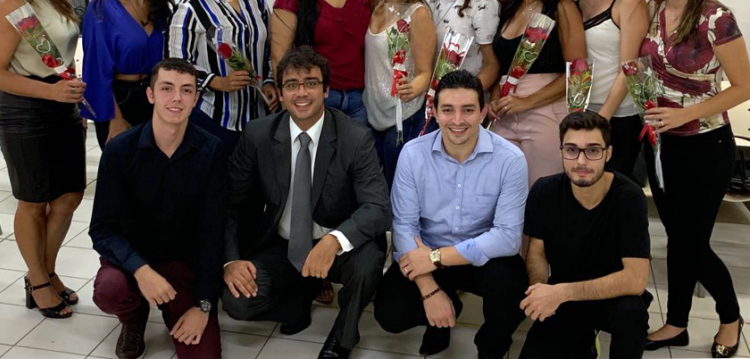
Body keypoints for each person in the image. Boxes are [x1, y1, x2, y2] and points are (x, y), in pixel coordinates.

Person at [222, 47, 391, 359]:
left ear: (326, 90)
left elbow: (379, 208)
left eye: (311, 83)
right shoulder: (258, 135)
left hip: (337, 243)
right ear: (281, 94)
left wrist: (334, 240)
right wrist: (231, 260)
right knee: (237, 302)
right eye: (292, 85)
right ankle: (297, 303)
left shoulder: (355, 137)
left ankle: (342, 337)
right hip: (282, 243)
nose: (301, 93)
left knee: (368, 263)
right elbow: (229, 203)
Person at [639, 0, 749, 358]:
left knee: (690, 241)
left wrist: (681, 114)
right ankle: (677, 323)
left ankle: (730, 316)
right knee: (675, 234)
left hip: (705, 144)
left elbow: (742, 86)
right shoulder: (650, 9)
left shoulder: (716, 17)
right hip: (660, 144)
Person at [374, 70, 529, 359]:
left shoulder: (510, 160)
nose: (457, 121)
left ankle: (491, 347)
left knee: (512, 290)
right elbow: (404, 227)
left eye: (468, 110)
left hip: (480, 257)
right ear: (433, 111)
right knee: (389, 313)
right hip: (426, 252)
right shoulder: (412, 154)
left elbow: (508, 238)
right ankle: (442, 319)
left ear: (483, 112)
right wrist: (429, 289)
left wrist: (436, 258)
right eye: (448, 110)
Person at [89, 58, 225, 359]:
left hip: (182, 264)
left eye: (186, 90)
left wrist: (203, 305)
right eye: (166, 88)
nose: (176, 98)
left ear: (196, 98)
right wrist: (141, 269)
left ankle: (171, 308)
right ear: (150, 95)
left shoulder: (211, 150)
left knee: (205, 356)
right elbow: (102, 230)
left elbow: (213, 232)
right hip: (131, 260)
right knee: (110, 290)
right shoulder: (120, 150)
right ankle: (133, 318)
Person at [0, 0, 84, 319]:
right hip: (25, 113)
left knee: (68, 197)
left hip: (62, 107)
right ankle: (39, 279)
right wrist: (52, 92)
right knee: (33, 201)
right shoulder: (11, 3)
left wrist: (70, 88)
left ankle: (45, 270)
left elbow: (57, 57)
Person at [518, 111, 652, 359]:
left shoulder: (629, 197)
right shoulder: (544, 191)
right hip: (564, 296)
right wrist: (540, 290)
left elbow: (635, 280)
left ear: (608, 153)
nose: (581, 161)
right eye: (571, 150)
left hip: (613, 297)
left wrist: (561, 293)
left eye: (592, 150)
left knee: (632, 314)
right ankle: (585, 342)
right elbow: (536, 251)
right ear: (561, 152)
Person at [166, 0, 276, 154]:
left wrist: (268, 81)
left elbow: (269, 47)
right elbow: (174, 67)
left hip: (258, 118)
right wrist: (216, 82)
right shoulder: (190, 8)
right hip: (213, 119)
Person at [490, 0, 586, 187]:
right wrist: (494, 98)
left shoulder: (563, 8)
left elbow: (579, 73)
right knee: (502, 197)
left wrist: (527, 101)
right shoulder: (507, 7)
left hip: (546, 112)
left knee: (541, 198)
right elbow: (498, 65)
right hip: (504, 114)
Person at [82, 0, 174, 149]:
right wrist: (114, 119)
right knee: (124, 174)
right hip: (118, 101)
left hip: (157, 99)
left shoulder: (162, 8)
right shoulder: (102, 6)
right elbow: (96, 69)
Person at [573, 0, 649, 178]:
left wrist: (600, 119)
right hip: (579, 112)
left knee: (611, 198)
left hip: (616, 118)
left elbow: (630, 68)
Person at [364, 0, 434, 188]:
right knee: (374, 191)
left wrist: (413, 87)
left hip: (403, 118)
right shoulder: (376, 5)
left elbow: (426, 72)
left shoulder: (419, 13)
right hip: (372, 116)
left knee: (398, 194)